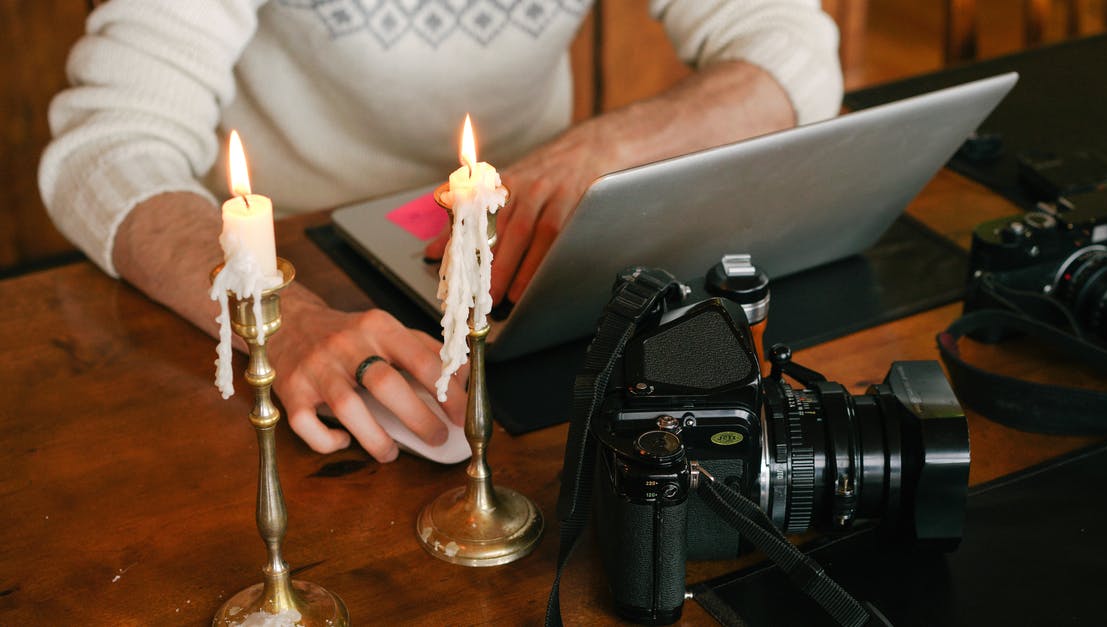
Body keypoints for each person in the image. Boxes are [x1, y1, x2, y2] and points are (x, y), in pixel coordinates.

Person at [39, 0, 843, 462]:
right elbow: (106, 148)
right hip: (302, 283)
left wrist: (607, 148)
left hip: (532, 255)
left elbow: (794, 50)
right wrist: (285, 320)